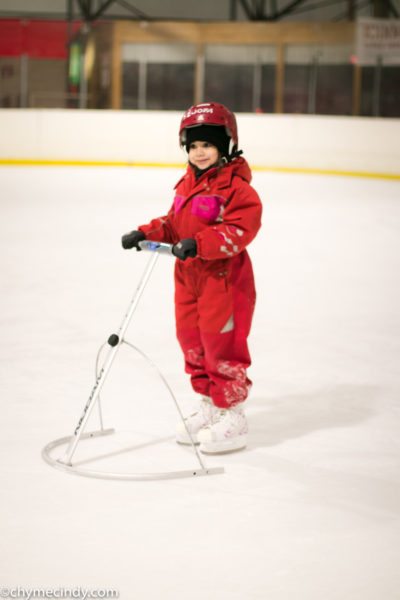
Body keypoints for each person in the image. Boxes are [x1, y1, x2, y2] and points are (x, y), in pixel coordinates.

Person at [122, 102, 262, 454]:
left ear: (226, 146)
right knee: (191, 340)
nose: (200, 152)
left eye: (208, 145)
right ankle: (209, 404)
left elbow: (239, 230)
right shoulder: (187, 184)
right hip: (188, 276)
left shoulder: (237, 190)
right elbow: (173, 224)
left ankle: (232, 415)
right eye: (193, 145)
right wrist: (145, 232)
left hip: (223, 279)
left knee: (221, 345)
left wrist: (199, 243)